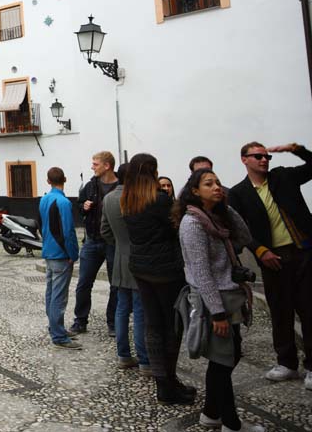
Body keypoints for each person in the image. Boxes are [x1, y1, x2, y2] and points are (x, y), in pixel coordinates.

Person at [178, 168, 264, 432]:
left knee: (228, 358)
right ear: (195, 191)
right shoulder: (193, 224)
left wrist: (226, 206)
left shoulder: (214, 217)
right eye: (209, 184)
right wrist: (217, 314)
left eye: (218, 182)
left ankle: (211, 414)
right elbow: (202, 272)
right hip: (215, 301)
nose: (217, 187)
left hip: (228, 296)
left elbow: (245, 237)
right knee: (223, 362)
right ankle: (231, 424)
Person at [229, 141, 312, 386]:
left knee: (309, 310)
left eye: (266, 156)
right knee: (280, 311)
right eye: (257, 156)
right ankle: (286, 363)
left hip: (302, 252)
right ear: (244, 159)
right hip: (271, 257)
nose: (264, 160)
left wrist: (296, 149)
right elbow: (239, 228)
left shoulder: (283, 176)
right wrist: (260, 250)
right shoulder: (238, 193)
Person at [121, 153, 193, 405]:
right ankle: (168, 383)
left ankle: (164, 383)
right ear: (152, 171)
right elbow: (176, 228)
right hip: (165, 270)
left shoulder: (128, 201)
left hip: (140, 269)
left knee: (153, 325)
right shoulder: (160, 200)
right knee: (171, 326)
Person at [100, 181, 150, 373]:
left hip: (120, 259)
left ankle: (123, 355)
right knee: (139, 311)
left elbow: (104, 230)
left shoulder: (109, 198)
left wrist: (120, 244)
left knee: (121, 308)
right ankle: (144, 360)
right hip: (139, 259)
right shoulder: (138, 198)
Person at [71, 151, 119, 336]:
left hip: (113, 243)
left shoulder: (120, 186)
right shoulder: (90, 186)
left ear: (107, 166)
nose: (92, 167)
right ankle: (80, 321)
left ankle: (113, 322)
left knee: (115, 285)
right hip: (92, 240)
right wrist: (83, 207)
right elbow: (80, 206)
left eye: (95, 164)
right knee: (84, 283)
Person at [39, 167, 80, 349]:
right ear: (65, 179)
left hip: (48, 250)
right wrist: (73, 253)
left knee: (51, 292)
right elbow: (68, 231)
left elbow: (41, 224)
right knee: (59, 296)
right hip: (60, 253)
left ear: (48, 181)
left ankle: (56, 327)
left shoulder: (44, 200)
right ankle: (58, 336)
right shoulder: (63, 202)